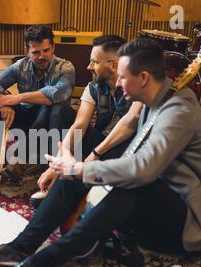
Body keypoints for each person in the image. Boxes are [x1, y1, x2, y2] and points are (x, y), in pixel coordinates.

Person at [0, 38, 201, 267]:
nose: (118, 82)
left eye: (122, 76)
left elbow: (144, 170)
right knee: (75, 170)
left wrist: (81, 170)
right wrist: (75, 168)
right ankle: (18, 248)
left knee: (123, 183)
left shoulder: (177, 112)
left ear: (144, 78)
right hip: (153, 206)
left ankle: (44, 262)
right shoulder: (151, 100)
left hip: (187, 223)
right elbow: (124, 135)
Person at [31, 35, 142, 207]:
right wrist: (58, 162)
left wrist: (92, 157)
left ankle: (73, 184)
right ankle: (57, 170)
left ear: (113, 65)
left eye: (94, 62)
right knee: (60, 110)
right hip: (100, 142)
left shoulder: (136, 85)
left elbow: (129, 123)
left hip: (126, 150)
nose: (88, 67)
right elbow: (80, 124)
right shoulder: (93, 87)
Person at [0, 24, 76, 183]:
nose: (42, 56)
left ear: (53, 47)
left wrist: (20, 97)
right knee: (0, 102)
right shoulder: (20, 66)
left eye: (46, 50)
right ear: (27, 51)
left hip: (54, 126)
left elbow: (57, 94)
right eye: (36, 52)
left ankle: (23, 160)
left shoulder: (65, 67)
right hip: (29, 121)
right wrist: (3, 104)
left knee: (51, 105)